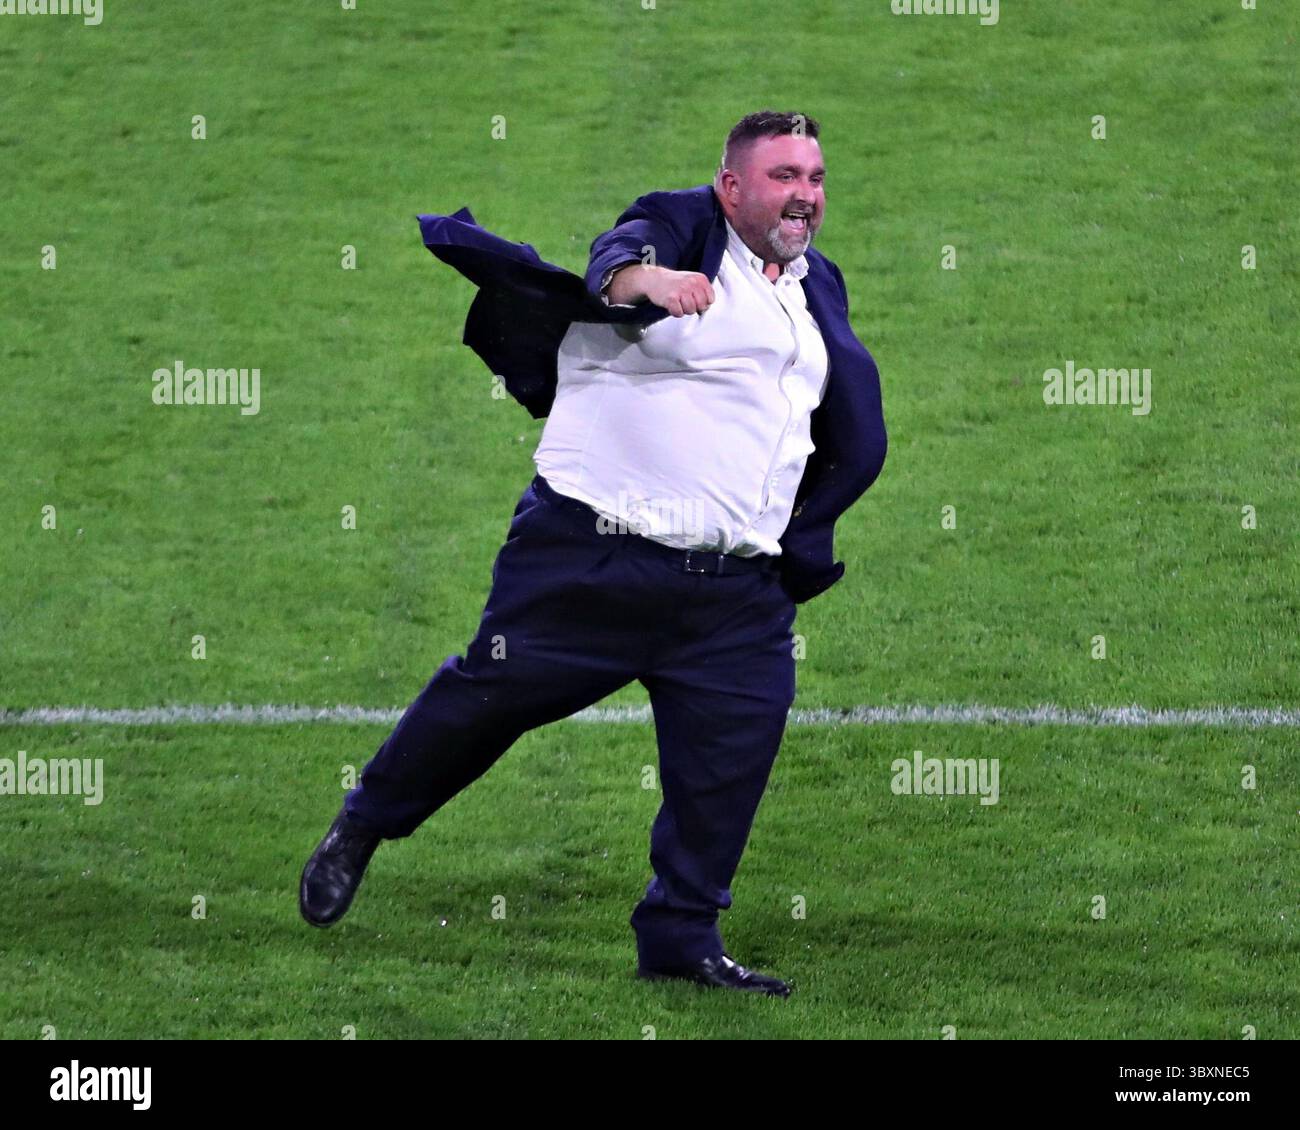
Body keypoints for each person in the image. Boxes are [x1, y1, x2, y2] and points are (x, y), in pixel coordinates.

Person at [299, 110, 887, 997]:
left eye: (814, 177)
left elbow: (833, 420)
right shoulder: (687, 227)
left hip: (732, 592)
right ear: (732, 188)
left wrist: (794, 537)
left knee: (730, 762)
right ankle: (364, 823)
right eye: (782, 177)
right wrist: (648, 279)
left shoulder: (816, 284)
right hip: (591, 560)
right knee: (486, 699)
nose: (803, 195)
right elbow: (620, 255)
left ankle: (680, 937)